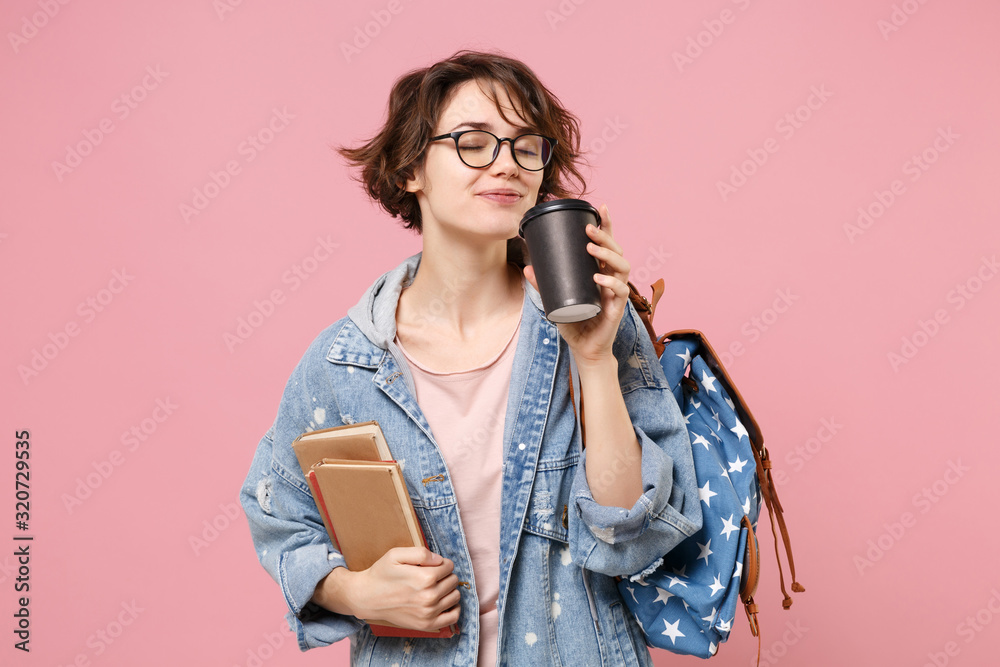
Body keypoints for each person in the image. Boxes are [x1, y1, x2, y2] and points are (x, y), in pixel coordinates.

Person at [239, 49, 703, 666]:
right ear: (411, 169)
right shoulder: (344, 363)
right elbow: (280, 517)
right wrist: (355, 590)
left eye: (525, 146)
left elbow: (630, 534)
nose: (505, 164)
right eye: (474, 142)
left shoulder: (597, 326)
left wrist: (592, 358)